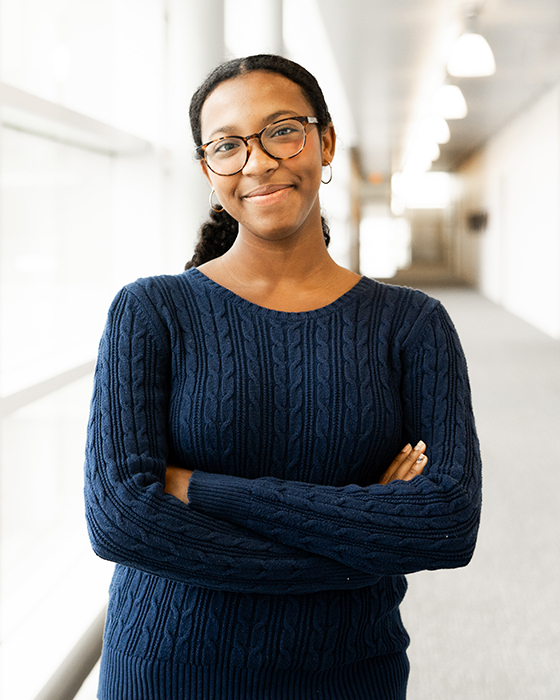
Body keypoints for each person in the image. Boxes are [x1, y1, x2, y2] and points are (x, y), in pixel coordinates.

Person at [84, 54, 482, 700]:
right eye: (228, 145)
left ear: (324, 142)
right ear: (208, 168)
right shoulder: (152, 310)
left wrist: (206, 491)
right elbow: (120, 521)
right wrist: (359, 541)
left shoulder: (412, 324)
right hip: (167, 669)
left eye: (282, 131)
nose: (258, 162)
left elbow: (445, 522)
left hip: (347, 671)